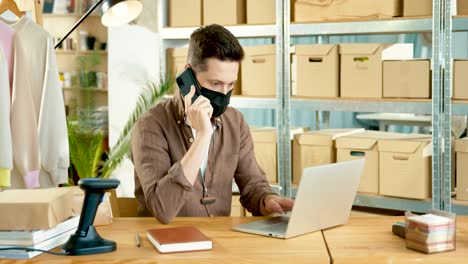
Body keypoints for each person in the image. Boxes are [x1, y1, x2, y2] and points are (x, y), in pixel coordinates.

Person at [131, 24, 294, 224]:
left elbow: (253, 187)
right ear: (188, 76)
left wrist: (268, 200)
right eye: (215, 84)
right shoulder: (150, 125)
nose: (224, 95)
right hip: (164, 244)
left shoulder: (235, 121)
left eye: (230, 85)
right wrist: (203, 136)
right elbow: (162, 208)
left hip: (217, 244)